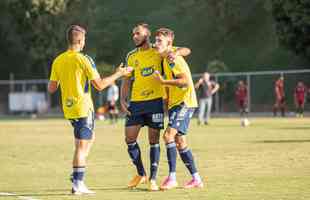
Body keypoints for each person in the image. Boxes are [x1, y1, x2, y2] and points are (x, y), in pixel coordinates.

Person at [48, 24, 131, 195]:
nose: (84, 42)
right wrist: (119, 73)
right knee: (81, 146)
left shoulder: (58, 60)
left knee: (89, 139)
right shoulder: (84, 59)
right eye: (84, 39)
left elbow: (51, 88)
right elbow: (100, 85)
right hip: (83, 108)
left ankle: (77, 172)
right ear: (79, 40)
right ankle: (78, 183)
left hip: (69, 109)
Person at [120, 23, 191, 191]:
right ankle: (141, 173)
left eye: (138, 33)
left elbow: (186, 50)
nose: (134, 36)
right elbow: (126, 80)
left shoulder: (158, 50)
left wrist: (175, 53)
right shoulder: (131, 56)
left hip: (155, 102)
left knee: (153, 141)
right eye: (133, 34)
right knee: (129, 139)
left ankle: (152, 179)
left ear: (147, 35)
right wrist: (123, 100)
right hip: (136, 103)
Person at [153, 27, 203, 190]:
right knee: (180, 141)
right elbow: (186, 50)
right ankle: (196, 179)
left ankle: (172, 177)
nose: (156, 43)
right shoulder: (167, 56)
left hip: (185, 101)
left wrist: (163, 82)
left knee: (168, 136)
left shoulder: (171, 58)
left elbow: (185, 82)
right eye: (156, 40)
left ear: (169, 43)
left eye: (160, 40)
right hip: (177, 103)